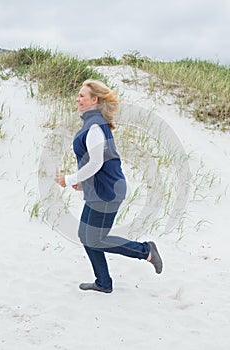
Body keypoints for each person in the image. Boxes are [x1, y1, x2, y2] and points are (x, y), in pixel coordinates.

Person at [55, 79, 163, 293]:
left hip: (109, 192)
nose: (78, 99)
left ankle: (146, 250)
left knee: (95, 238)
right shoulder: (92, 124)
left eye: (82, 95)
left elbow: (97, 162)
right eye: (78, 95)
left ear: (95, 100)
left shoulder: (95, 126)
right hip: (100, 189)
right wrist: (84, 185)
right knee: (86, 236)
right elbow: (97, 163)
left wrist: (69, 179)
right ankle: (103, 282)